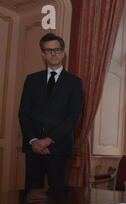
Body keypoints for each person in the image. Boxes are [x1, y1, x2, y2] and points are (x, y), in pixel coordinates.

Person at [18, 33, 83, 190]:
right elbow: (23, 113)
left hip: (59, 148)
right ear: (43, 54)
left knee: (58, 197)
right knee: (31, 196)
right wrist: (34, 141)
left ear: (63, 52)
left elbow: (73, 118)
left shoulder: (74, 82)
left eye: (57, 49)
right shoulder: (31, 79)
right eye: (48, 50)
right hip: (33, 148)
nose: (53, 54)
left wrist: (47, 140)